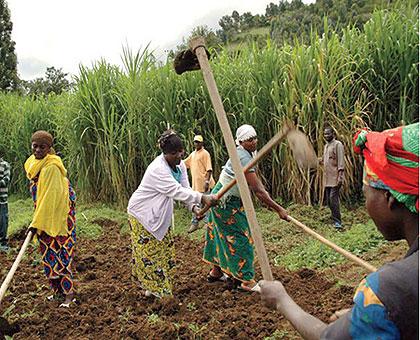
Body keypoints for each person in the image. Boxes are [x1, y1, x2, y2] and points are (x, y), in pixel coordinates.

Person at [260, 123, 419, 339]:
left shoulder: (389, 289)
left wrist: (281, 300)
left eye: (365, 193)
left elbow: (328, 337)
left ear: (390, 198)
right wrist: (365, 317)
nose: (366, 202)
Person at [127, 129, 218, 298]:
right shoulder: (158, 169)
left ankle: (154, 289)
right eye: (174, 153)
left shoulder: (180, 165)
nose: (178, 156)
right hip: (143, 213)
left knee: (164, 251)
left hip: (160, 214)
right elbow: (176, 191)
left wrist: (193, 207)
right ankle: (160, 293)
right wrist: (203, 198)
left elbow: (185, 189)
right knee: (150, 253)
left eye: (181, 152)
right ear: (165, 153)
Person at [203, 124, 288, 292]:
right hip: (224, 202)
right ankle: (246, 282)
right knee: (241, 238)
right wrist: (279, 209)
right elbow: (258, 191)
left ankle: (216, 272)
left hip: (223, 199)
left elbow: (256, 187)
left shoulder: (246, 154)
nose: (254, 142)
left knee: (218, 234)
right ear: (241, 142)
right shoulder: (242, 157)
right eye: (250, 140)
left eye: (255, 138)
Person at [24, 131, 76, 307]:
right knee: (49, 254)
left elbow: (50, 199)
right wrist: (38, 220)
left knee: (61, 253)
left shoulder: (52, 167)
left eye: (42, 147)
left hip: (58, 217)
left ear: (49, 148)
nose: (38, 150)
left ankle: (69, 296)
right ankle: (57, 293)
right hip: (44, 215)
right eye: (35, 146)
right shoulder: (34, 163)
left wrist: (35, 223)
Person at [184, 133, 215, 233]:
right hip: (195, 185)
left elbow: (209, 169)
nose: (196, 144)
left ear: (202, 143)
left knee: (207, 204)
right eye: (195, 142)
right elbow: (184, 164)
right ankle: (195, 223)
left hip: (204, 184)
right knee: (195, 205)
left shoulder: (205, 153)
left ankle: (208, 224)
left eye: (198, 142)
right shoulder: (193, 154)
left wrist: (207, 181)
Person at [320, 126, 345, 229]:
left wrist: (340, 176)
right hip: (327, 178)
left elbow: (341, 161)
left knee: (333, 199)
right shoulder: (326, 146)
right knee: (329, 200)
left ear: (333, 134)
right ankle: (334, 218)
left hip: (335, 178)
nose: (326, 136)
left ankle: (338, 222)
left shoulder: (338, 145)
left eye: (328, 134)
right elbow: (323, 160)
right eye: (325, 134)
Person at [0, 155, 11, 252]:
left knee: (3, 221)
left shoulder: (5, 165)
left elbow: (5, 180)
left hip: (2, 199)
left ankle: (3, 243)